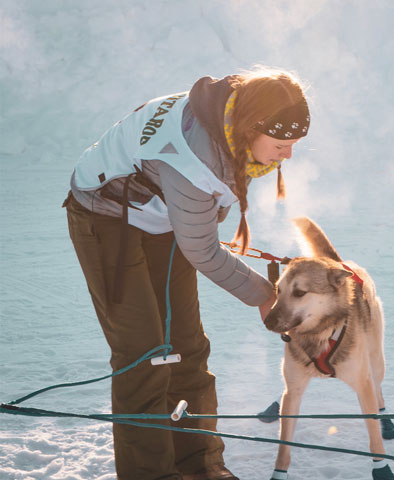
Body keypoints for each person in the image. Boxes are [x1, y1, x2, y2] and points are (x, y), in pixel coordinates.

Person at [63, 67, 311, 480]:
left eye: (295, 144)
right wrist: (264, 294)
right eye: (282, 144)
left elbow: (200, 221)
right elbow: (203, 251)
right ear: (252, 127)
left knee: (186, 347)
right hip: (104, 218)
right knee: (145, 355)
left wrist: (194, 220)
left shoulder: (229, 116)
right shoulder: (195, 161)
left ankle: (199, 465)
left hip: (158, 216)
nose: (289, 155)